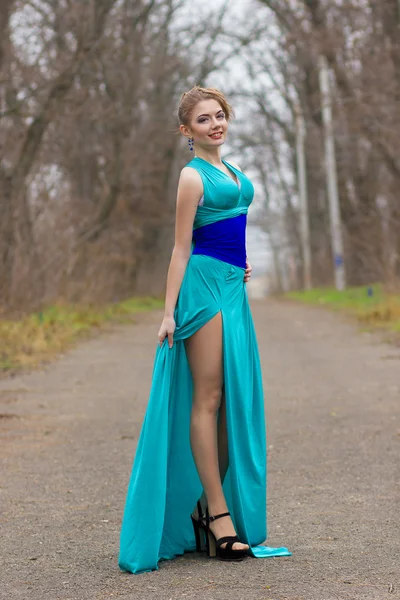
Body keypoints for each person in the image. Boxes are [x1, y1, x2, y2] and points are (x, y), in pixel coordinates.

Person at [118, 86, 291, 574]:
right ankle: (218, 516)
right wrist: (168, 312)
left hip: (233, 289)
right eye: (202, 120)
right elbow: (181, 248)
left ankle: (202, 506)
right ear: (186, 131)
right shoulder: (191, 177)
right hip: (203, 292)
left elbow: (228, 227)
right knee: (208, 398)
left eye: (219, 116)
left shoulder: (232, 172)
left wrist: (242, 264)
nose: (214, 124)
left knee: (231, 404)